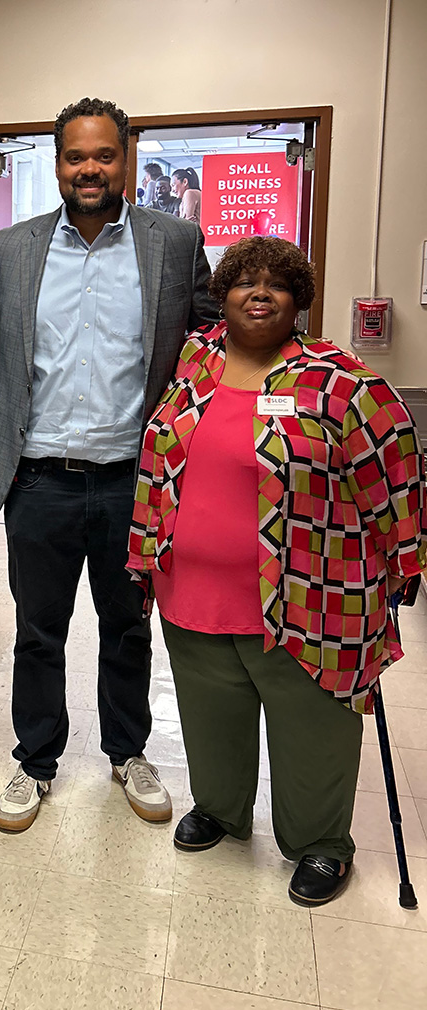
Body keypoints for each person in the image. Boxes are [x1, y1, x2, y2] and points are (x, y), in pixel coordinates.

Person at [128, 236, 426, 906]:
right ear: (223, 295)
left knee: (314, 728)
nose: (259, 293)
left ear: (298, 301)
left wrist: (406, 560)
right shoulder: (194, 361)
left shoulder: (342, 381)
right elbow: (159, 461)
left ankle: (322, 845)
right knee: (210, 716)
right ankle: (223, 810)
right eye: (244, 282)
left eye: (277, 285)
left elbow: (396, 474)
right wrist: (144, 550)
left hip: (312, 596)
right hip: (192, 591)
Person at [0, 97, 219, 833]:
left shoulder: (175, 242)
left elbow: (208, 341)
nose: (89, 169)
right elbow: (1, 356)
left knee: (127, 628)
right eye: (75, 156)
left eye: (104, 155)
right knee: (37, 628)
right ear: (58, 163)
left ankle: (128, 752)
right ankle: (36, 760)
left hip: (133, 482)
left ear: (127, 157)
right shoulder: (13, 247)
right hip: (41, 479)